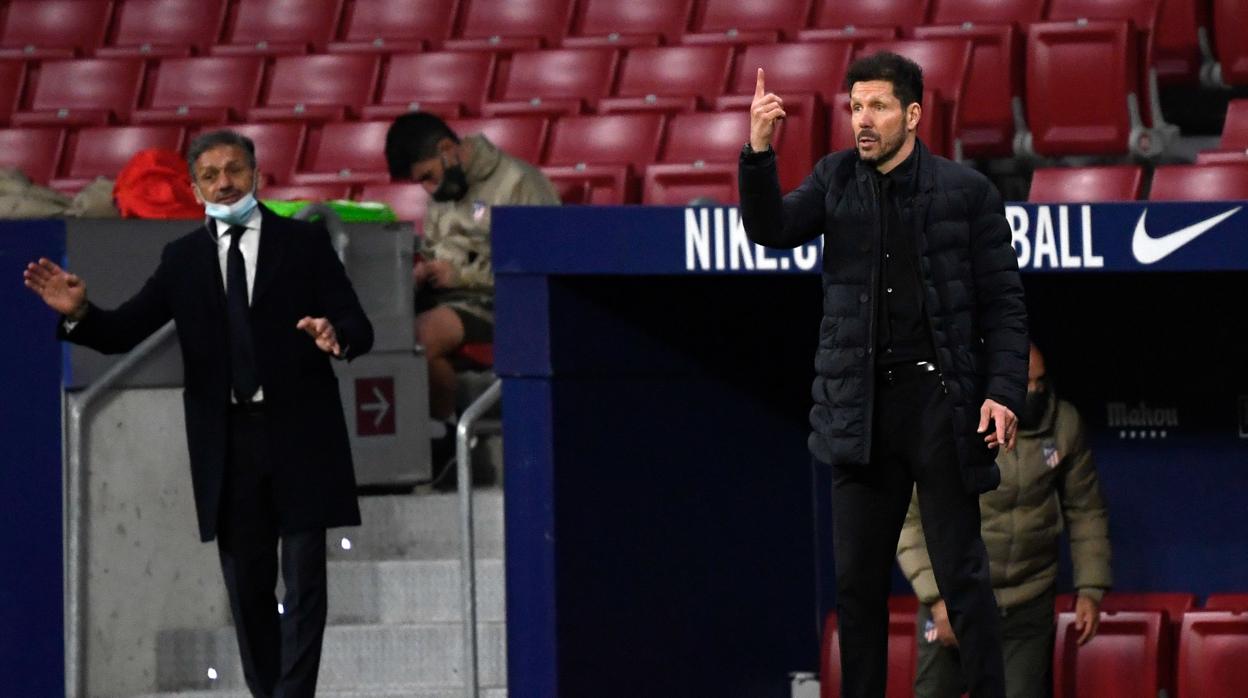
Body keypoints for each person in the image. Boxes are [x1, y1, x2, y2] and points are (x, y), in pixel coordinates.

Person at [23, 129, 374, 698]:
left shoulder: (303, 245)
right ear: (193, 188)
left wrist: (335, 335)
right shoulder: (182, 259)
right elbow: (124, 331)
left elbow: (359, 324)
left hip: (301, 435)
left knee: (306, 577)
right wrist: (81, 311)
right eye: (210, 175)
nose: (224, 182)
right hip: (229, 443)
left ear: (256, 174)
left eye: (233, 169)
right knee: (248, 586)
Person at [739, 52, 1029, 698]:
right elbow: (771, 228)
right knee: (857, 585)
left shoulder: (967, 193)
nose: (861, 121)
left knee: (964, 576)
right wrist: (758, 153)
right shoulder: (834, 179)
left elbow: (1006, 305)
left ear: (914, 114)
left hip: (940, 401)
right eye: (854, 108)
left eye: (876, 107)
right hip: (862, 405)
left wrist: (1003, 393)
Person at [898, 343, 1112, 698]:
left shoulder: (1064, 424)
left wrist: (1091, 589)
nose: (1034, 392)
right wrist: (938, 600)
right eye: (1023, 383)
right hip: (959, 597)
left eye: (1040, 383)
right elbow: (911, 520)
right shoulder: (950, 423)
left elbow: (1086, 509)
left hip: (1027, 601)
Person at [384, 112, 559, 486]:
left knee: (420, 337)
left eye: (429, 176)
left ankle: (445, 440)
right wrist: (424, 272)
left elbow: (541, 265)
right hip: (449, 300)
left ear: (449, 151)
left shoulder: (518, 183)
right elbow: (434, 247)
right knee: (382, 329)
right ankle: (437, 434)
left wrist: (460, 275)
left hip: (508, 303)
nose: (428, 190)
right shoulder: (445, 193)